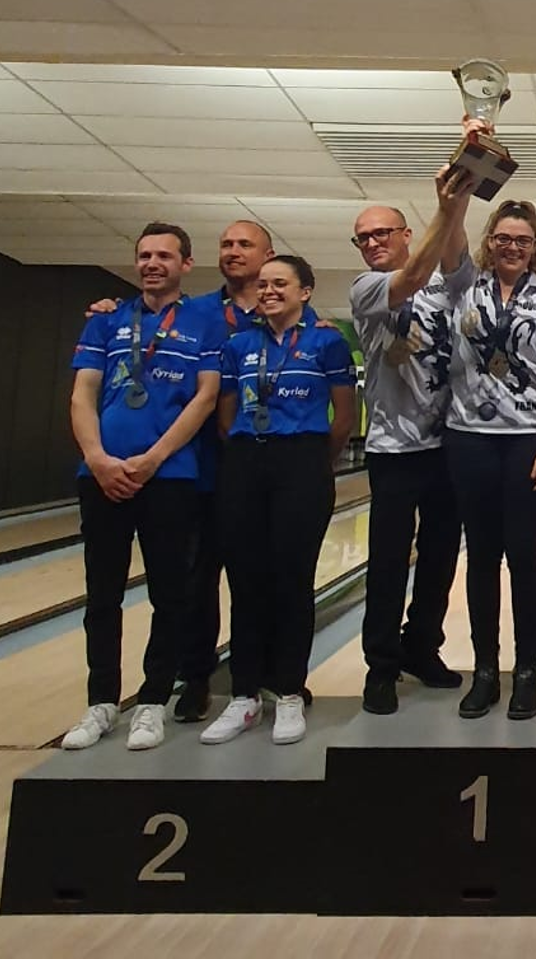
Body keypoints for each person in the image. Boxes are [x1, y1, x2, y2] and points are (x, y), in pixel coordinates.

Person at [86, 220, 276, 724]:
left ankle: (261, 675)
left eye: (245, 244)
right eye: (226, 244)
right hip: (193, 467)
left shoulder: (286, 311)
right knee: (194, 581)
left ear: (267, 254)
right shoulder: (200, 312)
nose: (233, 252)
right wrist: (110, 309)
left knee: (255, 575)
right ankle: (195, 678)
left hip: (249, 466)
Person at [61, 222, 225, 752]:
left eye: (164, 256)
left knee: (170, 593)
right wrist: (97, 458)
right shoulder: (107, 320)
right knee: (102, 595)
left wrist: (153, 459)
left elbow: (205, 399)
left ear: (185, 264)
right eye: (145, 255)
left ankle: (153, 700)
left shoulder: (206, 322)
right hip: (101, 475)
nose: (153, 264)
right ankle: (101, 701)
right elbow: (82, 395)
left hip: (170, 476)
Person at [201, 255, 356, 746]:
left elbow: (344, 417)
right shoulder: (239, 345)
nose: (268, 291)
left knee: (293, 580)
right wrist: (251, 453)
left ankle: (289, 690)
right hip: (247, 461)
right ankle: (244, 694)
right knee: (246, 581)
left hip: (302, 461)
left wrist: (311, 460)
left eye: (280, 284)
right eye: (263, 284)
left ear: (304, 292)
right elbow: (226, 417)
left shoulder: (327, 342)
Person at [437, 185, 536, 721]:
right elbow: (450, 236)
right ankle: (486, 671)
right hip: (469, 437)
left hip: (526, 439)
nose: (512, 246)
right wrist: (455, 196)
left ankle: (527, 671)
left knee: (523, 555)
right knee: (481, 557)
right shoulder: (464, 284)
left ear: (535, 246)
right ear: (489, 241)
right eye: (503, 238)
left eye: (523, 240)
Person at [348, 168, 475, 715]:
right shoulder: (367, 288)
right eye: (363, 237)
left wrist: (461, 195)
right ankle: (380, 668)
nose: (372, 243)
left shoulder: (449, 287)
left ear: (405, 234)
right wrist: (442, 207)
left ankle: (421, 648)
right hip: (393, 450)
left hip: (448, 446)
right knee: (388, 562)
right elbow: (413, 277)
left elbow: (455, 257)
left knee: (441, 559)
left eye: (382, 233)